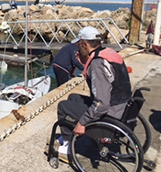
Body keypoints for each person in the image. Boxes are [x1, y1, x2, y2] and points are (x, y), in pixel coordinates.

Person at [56, 26, 132, 162]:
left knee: (63, 106)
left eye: (79, 45)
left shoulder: (97, 64)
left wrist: (83, 122)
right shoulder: (109, 53)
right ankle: (71, 134)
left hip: (110, 114)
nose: (77, 49)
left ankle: (67, 148)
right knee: (73, 97)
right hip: (121, 106)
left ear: (85, 44)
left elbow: (101, 104)